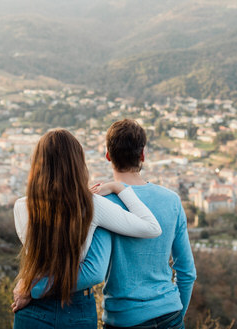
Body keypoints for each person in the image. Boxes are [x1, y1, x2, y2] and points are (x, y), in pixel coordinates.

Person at [11, 128, 162, 329]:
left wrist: (33, 287)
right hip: (76, 307)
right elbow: (151, 227)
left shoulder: (21, 206)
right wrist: (120, 188)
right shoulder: (93, 205)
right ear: (78, 163)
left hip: (32, 308)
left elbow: (42, 263)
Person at [95, 118, 196, 329]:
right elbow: (187, 272)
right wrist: (178, 314)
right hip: (170, 314)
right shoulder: (171, 201)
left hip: (124, 318)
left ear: (107, 155)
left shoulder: (102, 204)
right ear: (142, 155)